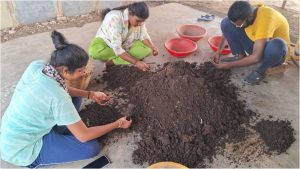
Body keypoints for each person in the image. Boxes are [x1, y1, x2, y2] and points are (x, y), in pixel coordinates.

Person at [0, 30, 132, 168]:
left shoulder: (38, 66)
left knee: (75, 98)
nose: (83, 73)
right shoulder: (58, 97)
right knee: (91, 148)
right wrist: (117, 124)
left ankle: (62, 131)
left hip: (18, 129)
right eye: (80, 70)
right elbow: (84, 136)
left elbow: (55, 91)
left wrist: (90, 94)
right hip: (23, 148)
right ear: (64, 70)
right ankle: (36, 160)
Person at [211, 1, 290, 85]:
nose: (237, 27)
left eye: (240, 25)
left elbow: (256, 57)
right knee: (226, 22)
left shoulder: (265, 18)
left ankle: (260, 71)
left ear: (250, 17)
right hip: (258, 42)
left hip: (274, 54)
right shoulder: (248, 11)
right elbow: (227, 30)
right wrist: (219, 50)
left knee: (277, 45)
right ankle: (240, 56)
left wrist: (229, 65)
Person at [88, 1, 158, 72]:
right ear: (130, 14)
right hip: (107, 42)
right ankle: (124, 56)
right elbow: (117, 47)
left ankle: (113, 61)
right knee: (94, 52)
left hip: (126, 43)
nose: (140, 24)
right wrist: (136, 62)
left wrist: (152, 46)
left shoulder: (139, 20)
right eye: (138, 21)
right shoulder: (115, 19)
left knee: (148, 50)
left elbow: (144, 35)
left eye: (143, 21)